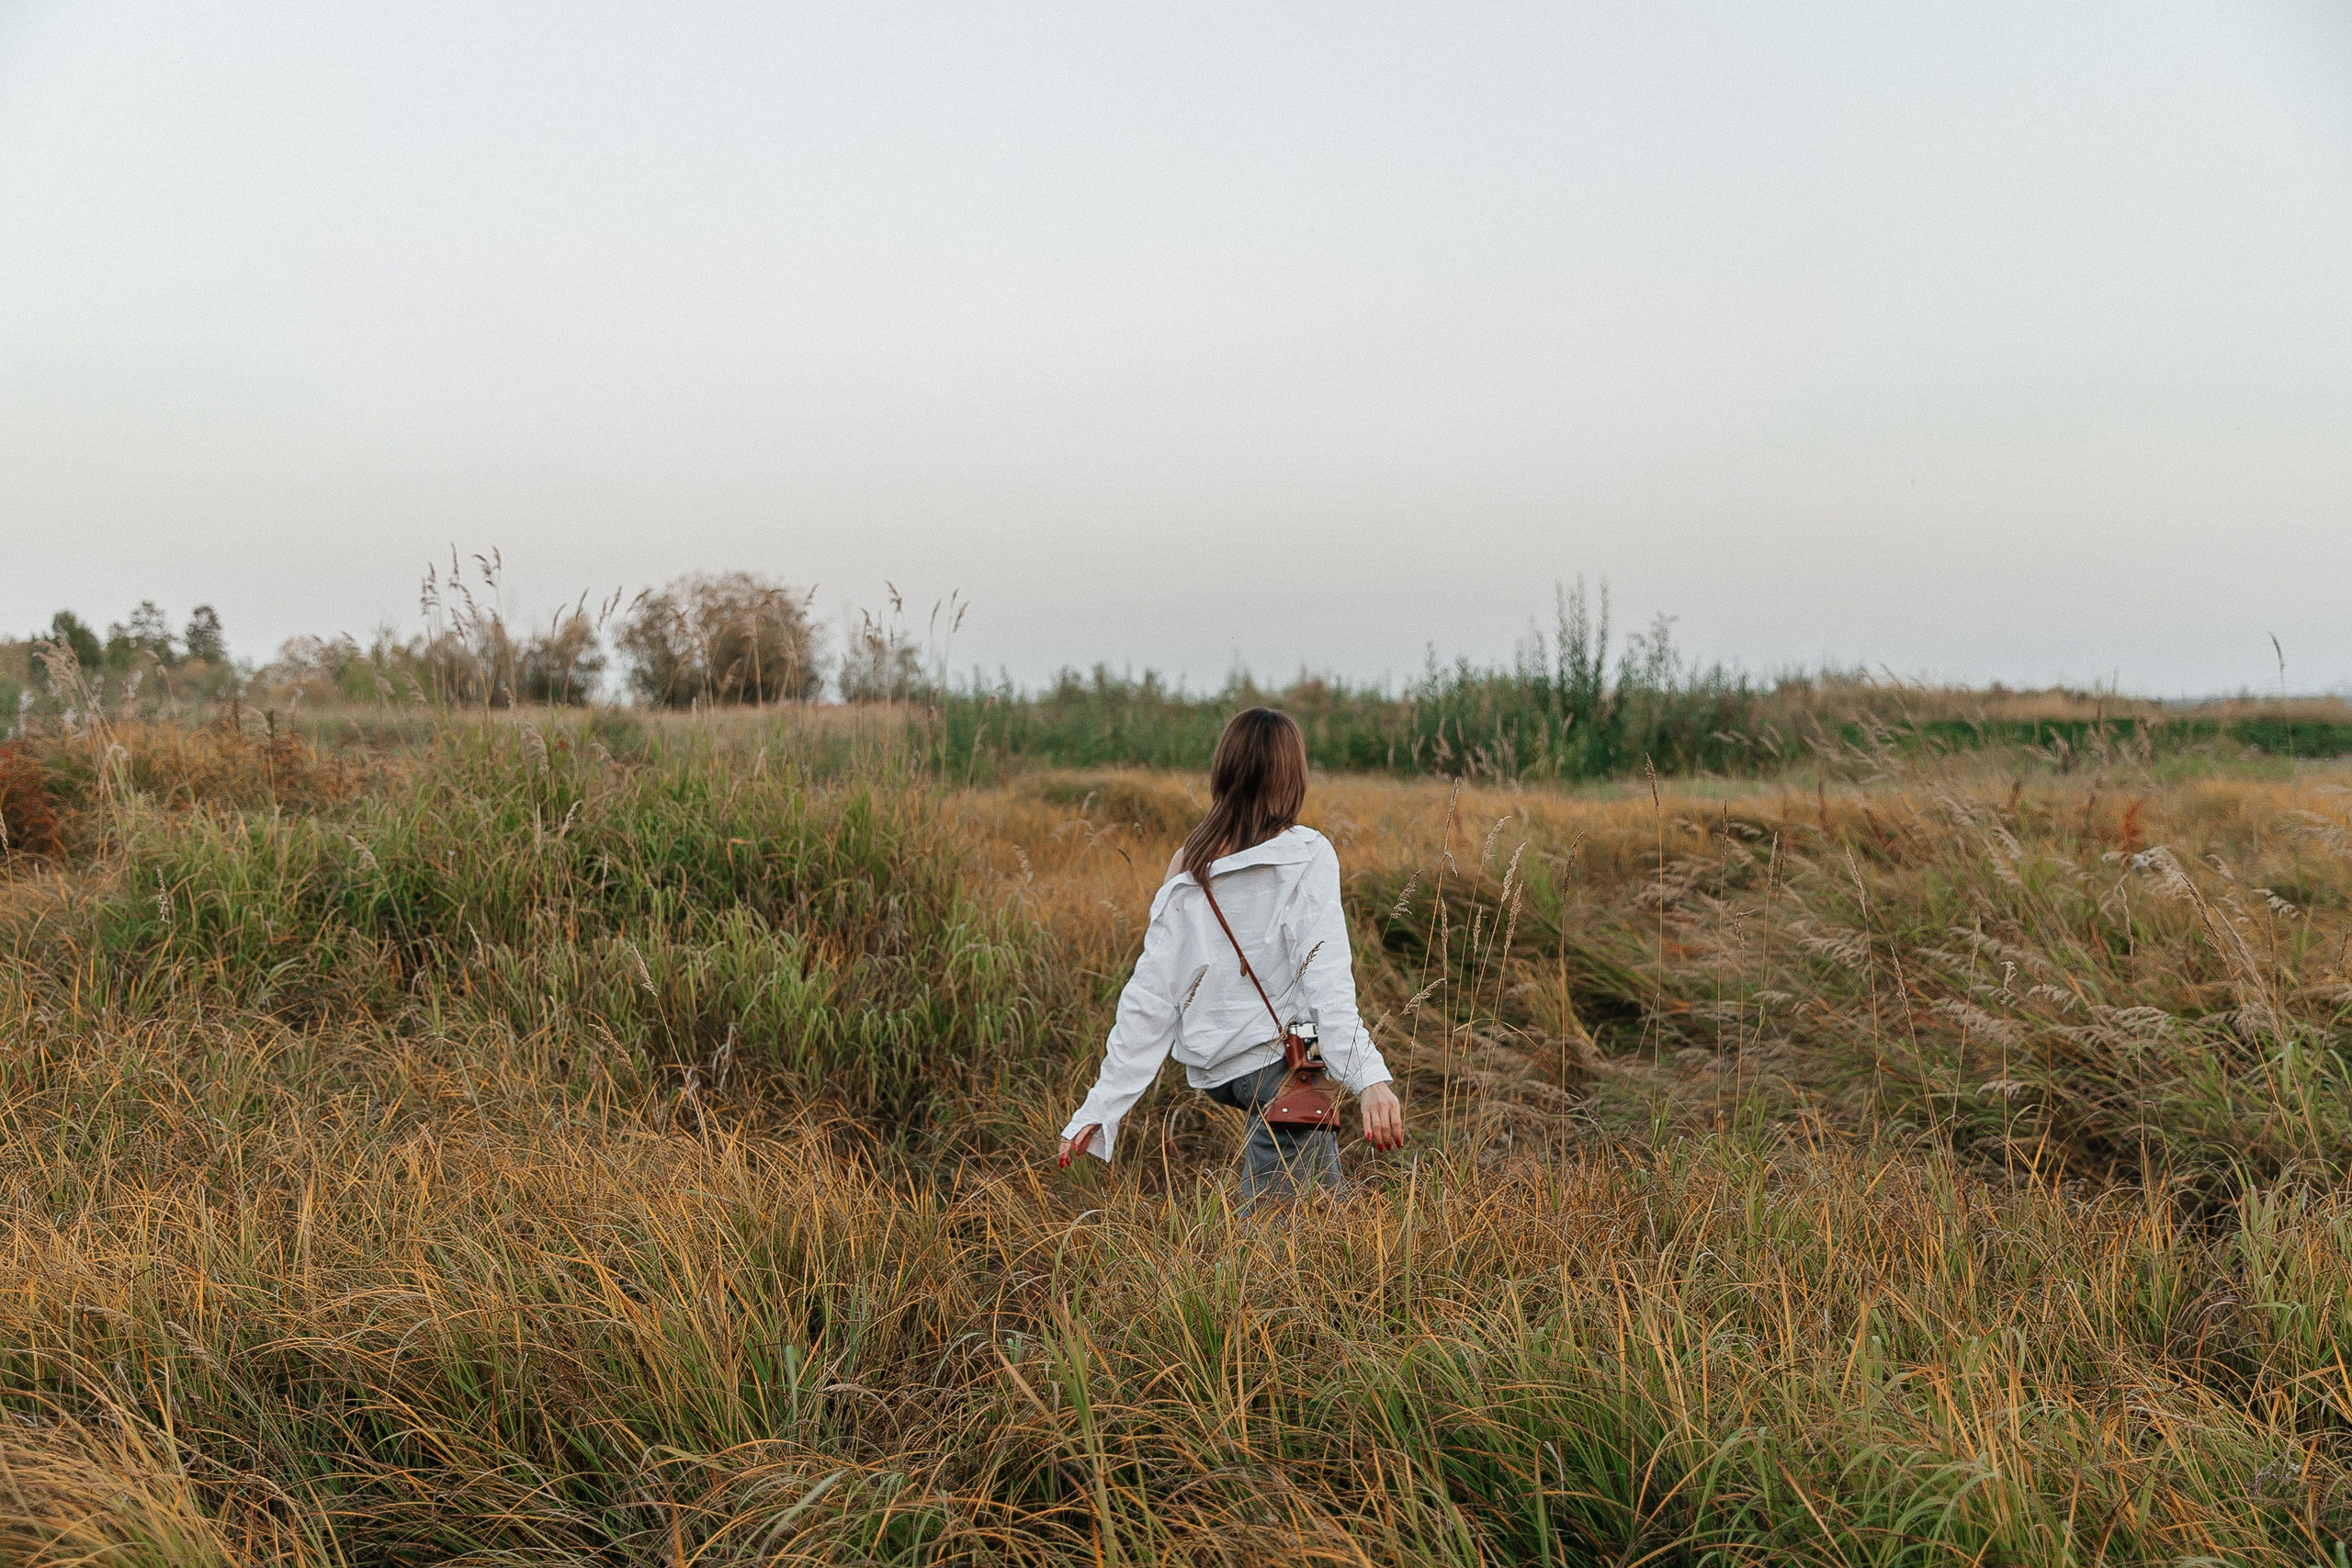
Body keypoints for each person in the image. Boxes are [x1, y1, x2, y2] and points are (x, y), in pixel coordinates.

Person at [1057, 706, 1404, 1199]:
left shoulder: (1190, 860)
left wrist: (1100, 1107)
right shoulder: (1306, 854)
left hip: (1223, 1071)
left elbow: (1152, 997)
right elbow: (1327, 986)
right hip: (1281, 1065)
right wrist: (1370, 1078)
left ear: (1224, 770)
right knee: (1274, 1235)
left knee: (1327, 1207)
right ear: (1292, 777)